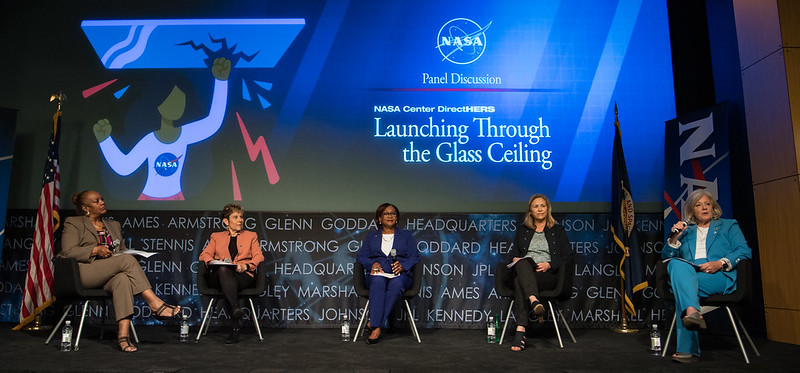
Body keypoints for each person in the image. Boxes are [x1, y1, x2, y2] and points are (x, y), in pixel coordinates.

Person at [59, 190, 181, 352]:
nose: (102, 202)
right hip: (84, 272)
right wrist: (95, 250)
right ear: (85, 208)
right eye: (96, 201)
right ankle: (154, 303)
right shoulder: (73, 223)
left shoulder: (113, 225)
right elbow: (67, 252)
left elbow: (120, 252)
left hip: (109, 272)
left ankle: (123, 336)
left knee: (122, 279)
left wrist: (132, 257)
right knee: (125, 262)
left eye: (102, 199)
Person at [663, 189, 752, 363]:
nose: (704, 208)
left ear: (713, 207)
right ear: (692, 211)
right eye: (698, 205)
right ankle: (693, 312)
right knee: (675, 264)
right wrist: (674, 240)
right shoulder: (686, 232)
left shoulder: (728, 225)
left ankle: (688, 348)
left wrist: (720, 263)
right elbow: (666, 258)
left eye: (707, 204)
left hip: (719, 274)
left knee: (683, 289)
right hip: (691, 273)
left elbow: (744, 251)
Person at [505, 194, 571, 352]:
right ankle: (534, 301)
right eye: (536, 206)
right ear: (530, 211)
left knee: (519, 282)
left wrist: (550, 264)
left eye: (543, 206)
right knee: (522, 263)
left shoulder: (557, 230)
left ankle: (521, 330)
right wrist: (515, 257)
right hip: (527, 269)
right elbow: (513, 253)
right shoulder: (522, 230)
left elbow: (568, 256)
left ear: (547, 209)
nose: (540, 209)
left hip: (547, 275)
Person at [199, 203, 264, 343]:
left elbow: (259, 257)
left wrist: (246, 266)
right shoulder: (216, 237)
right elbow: (204, 255)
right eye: (235, 217)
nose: (240, 220)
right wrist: (214, 261)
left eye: (241, 217)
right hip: (219, 276)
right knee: (223, 270)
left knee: (228, 282)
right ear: (226, 221)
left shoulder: (251, 236)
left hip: (242, 276)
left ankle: (235, 323)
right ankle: (236, 309)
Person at [356, 203, 419, 344]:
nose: (390, 216)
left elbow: (414, 257)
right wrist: (373, 264)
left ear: (397, 218)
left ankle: (375, 325)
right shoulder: (372, 236)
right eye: (386, 213)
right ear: (379, 218)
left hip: (400, 275)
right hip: (378, 274)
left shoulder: (406, 236)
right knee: (378, 282)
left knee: (396, 285)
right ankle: (377, 326)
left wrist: (403, 266)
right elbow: (361, 257)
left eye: (393, 213)